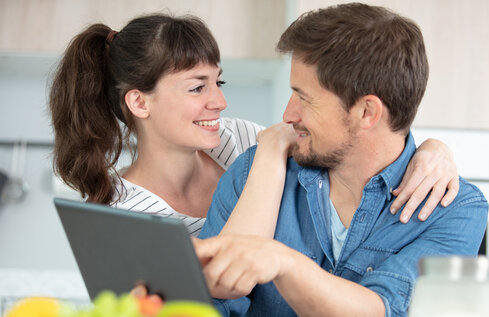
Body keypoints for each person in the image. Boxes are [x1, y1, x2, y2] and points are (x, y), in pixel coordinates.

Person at [196, 3, 488, 317]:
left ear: (367, 112)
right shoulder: (254, 172)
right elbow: (203, 307)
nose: (288, 115)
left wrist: (283, 262)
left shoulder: (453, 209)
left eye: (305, 98)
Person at [49, 13, 460, 238]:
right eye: (197, 88)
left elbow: (343, 145)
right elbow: (221, 281)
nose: (220, 101)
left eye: (218, 81)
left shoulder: (237, 137)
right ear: (139, 101)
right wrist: (270, 149)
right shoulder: (120, 216)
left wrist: (432, 150)